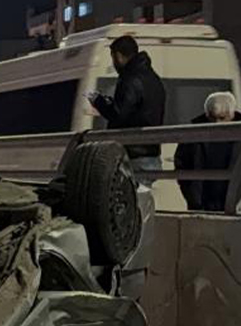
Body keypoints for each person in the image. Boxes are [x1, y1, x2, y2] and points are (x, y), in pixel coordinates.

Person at [90, 35, 167, 177]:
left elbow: (118, 114)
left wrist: (99, 102)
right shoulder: (153, 78)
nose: (114, 63)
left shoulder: (130, 79)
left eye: (113, 58)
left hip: (132, 156)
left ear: (119, 56)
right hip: (151, 153)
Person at [176, 92, 241, 212]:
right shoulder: (193, 131)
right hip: (201, 202)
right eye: (212, 118)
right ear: (207, 114)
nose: (216, 123)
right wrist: (192, 196)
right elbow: (181, 162)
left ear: (232, 114)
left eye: (222, 118)